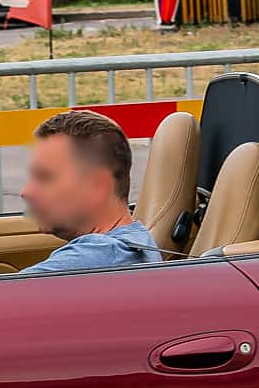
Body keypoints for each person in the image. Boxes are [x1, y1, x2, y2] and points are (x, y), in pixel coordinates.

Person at [18, 108, 158, 273]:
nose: (26, 192)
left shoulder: (100, 255)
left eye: (45, 177)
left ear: (98, 185)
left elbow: (2, 290)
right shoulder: (135, 241)